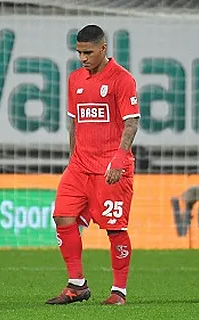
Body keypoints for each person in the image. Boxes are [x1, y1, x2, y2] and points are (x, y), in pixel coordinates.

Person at [46, 24, 140, 306]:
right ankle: (77, 284)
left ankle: (119, 291)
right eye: (79, 53)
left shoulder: (122, 79)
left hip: (111, 167)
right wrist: (72, 158)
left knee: (115, 229)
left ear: (103, 48)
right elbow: (74, 123)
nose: (83, 58)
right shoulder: (75, 79)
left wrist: (119, 159)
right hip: (80, 166)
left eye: (88, 52)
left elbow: (131, 122)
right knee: (62, 216)